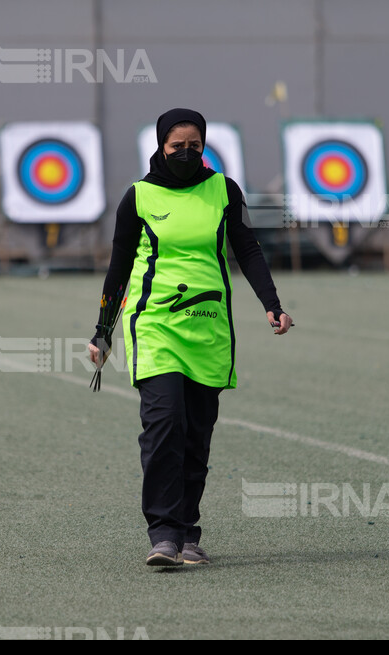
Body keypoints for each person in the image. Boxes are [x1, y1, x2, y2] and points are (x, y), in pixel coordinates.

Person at [88, 108, 292, 567]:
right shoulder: (137, 198)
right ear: (160, 146)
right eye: (176, 146)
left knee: (197, 436)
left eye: (194, 146)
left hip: (208, 327)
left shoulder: (223, 190)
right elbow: (118, 270)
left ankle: (188, 533)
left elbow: (248, 249)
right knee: (165, 426)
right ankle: (163, 535)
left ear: (204, 145)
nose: (185, 153)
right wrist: (102, 332)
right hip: (155, 327)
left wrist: (272, 303)